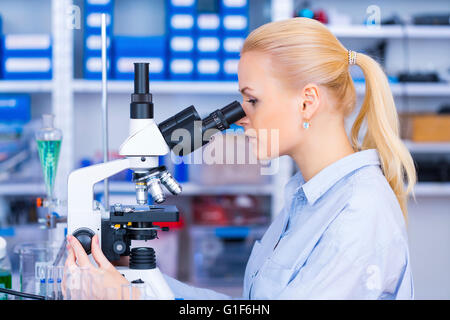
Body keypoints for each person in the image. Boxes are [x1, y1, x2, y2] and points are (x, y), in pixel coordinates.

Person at [66, 17, 416, 299]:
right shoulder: (307, 197)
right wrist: (141, 288)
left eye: (253, 100)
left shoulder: (357, 216)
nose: (241, 116)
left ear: (307, 102)